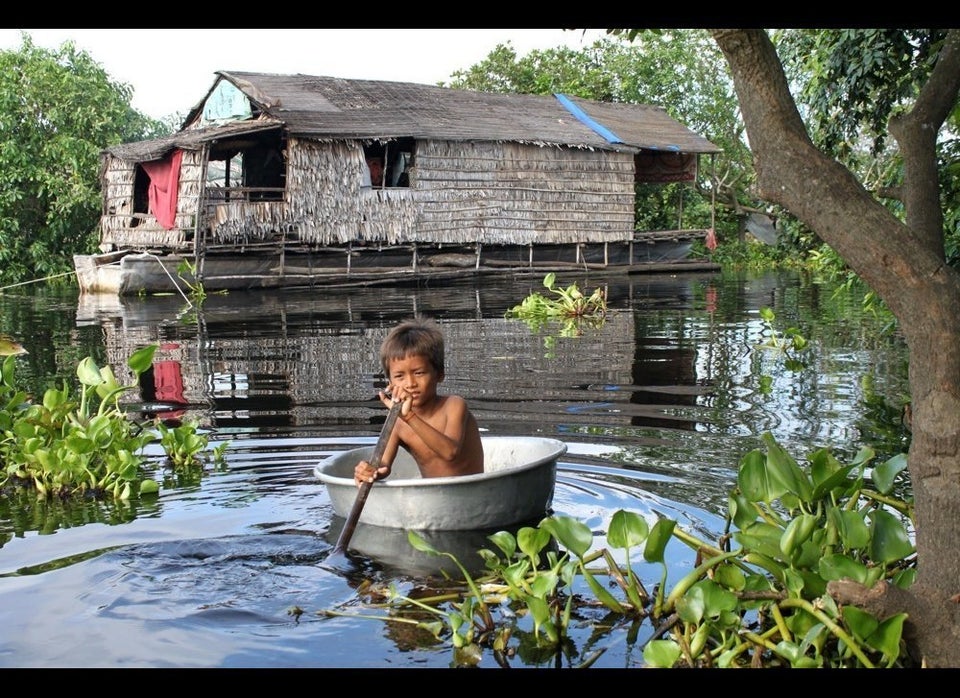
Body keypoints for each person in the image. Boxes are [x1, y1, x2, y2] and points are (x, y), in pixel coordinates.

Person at [354, 317, 484, 486]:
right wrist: (369, 471)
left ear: (439, 374)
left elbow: (450, 452)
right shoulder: (397, 422)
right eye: (400, 376)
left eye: (419, 373)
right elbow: (383, 465)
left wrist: (409, 417)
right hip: (431, 499)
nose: (410, 384)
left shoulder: (454, 406)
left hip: (471, 492)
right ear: (390, 383)